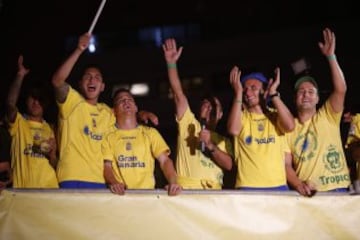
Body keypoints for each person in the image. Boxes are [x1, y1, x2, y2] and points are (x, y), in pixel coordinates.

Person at [52, 32, 158, 189]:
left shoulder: (108, 112)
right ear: (80, 84)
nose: (92, 79)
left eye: (97, 77)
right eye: (88, 77)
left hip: (101, 181)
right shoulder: (72, 102)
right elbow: (57, 81)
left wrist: (141, 113)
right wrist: (79, 50)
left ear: (102, 87)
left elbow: (126, 114)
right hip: (71, 177)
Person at [285, 28, 350, 196]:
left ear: (317, 99)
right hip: (310, 195)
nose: (306, 94)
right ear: (294, 99)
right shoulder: (288, 127)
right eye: (301, 91)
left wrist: (331, 57)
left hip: (339, 191)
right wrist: (299, 184)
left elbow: (341, 89)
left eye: (311, 91)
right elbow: (285, 165)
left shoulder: (328, 115)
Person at [161, 38, 233, 190]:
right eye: (206, 105)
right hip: (188, 193)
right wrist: (171, 64)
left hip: (214, 195)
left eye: (215, 107)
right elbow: (178, 93)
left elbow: (229, 165)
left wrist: (210, 145)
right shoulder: (189, 123)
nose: (209, 108)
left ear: (220, 115)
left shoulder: (224, 141)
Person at [102, 88, 182, 196]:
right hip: (120, 197)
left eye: (129, 99)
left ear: (136, 108)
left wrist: (173, 182)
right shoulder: (108, 136)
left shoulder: (150, 133)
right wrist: (114, 183)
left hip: (147, 196)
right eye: (121, 100)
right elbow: (107, 167)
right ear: (114, 111)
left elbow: (165, 161)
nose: (126, 102)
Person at [227, 65, 295, 190]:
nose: (248, 92)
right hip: (248, 187)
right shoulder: (242, 117)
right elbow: (233, 129)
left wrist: (273, 93)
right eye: (245, 89)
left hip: (278, 186)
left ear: (264, 90)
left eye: (253, 88)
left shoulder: (275, 115)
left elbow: (290, 126)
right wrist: (238, 93)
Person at [6, 55, 58, 188]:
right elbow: (10, 103)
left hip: (49, 189)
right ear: (26, 100)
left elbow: (53, 164)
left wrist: (52, 156)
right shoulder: (19, 122)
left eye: (40, 99)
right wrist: (20, 75)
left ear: (45, 103)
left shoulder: (49, 128)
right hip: (23, 191)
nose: (36, 102)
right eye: (32, 98)